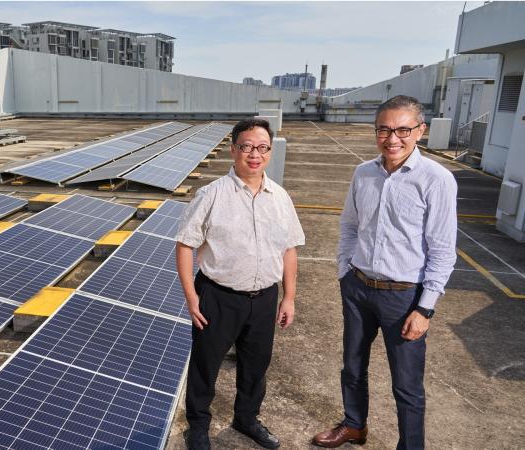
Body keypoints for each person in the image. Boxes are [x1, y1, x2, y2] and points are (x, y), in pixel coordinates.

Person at [312, 95, 457, 449]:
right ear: (375, 131)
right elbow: (349, 225)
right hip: (358, 287)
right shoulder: (364, 173)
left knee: (406, 385)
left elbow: (442, 251)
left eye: (403, 130)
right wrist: (345, 272)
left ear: (420, 131)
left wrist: (425, 309)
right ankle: (354, 426)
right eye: (384, 130)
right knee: (352, 366)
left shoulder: (436, 180)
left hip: (405, 298)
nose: (393, 139)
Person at [176, 117, 305, 450]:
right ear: (233, 150)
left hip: (264, 298)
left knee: (256, 365)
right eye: (246, 147)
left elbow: (289, 249)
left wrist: (289, 297)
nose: (254, 154)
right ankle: (198, 427)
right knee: (206, 365)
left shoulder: (280, 197)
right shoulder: (211, 195)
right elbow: (185, 245)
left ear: (270, 152)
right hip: (218, 297)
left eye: (262, 147)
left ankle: (246, 418)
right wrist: (191, 297)